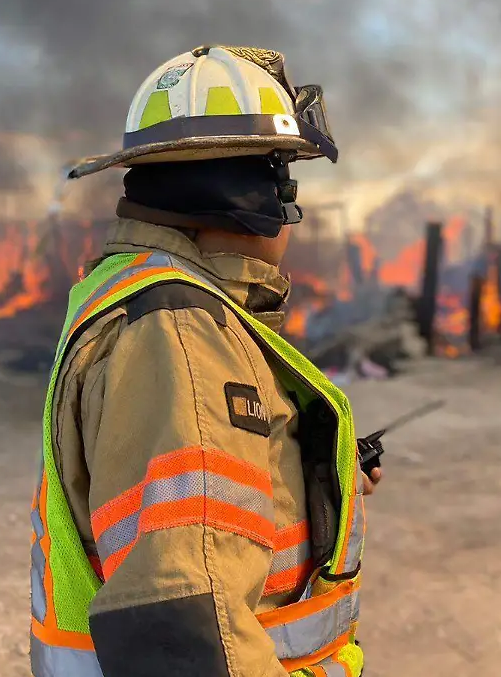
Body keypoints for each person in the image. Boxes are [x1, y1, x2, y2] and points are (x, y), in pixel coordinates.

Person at [28, 45, 380, 677]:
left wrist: (309, 472)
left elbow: (193, 507)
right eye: (287, 186)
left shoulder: (139, 296)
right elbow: (186, 627)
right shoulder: (184, 335)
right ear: (255, 199)